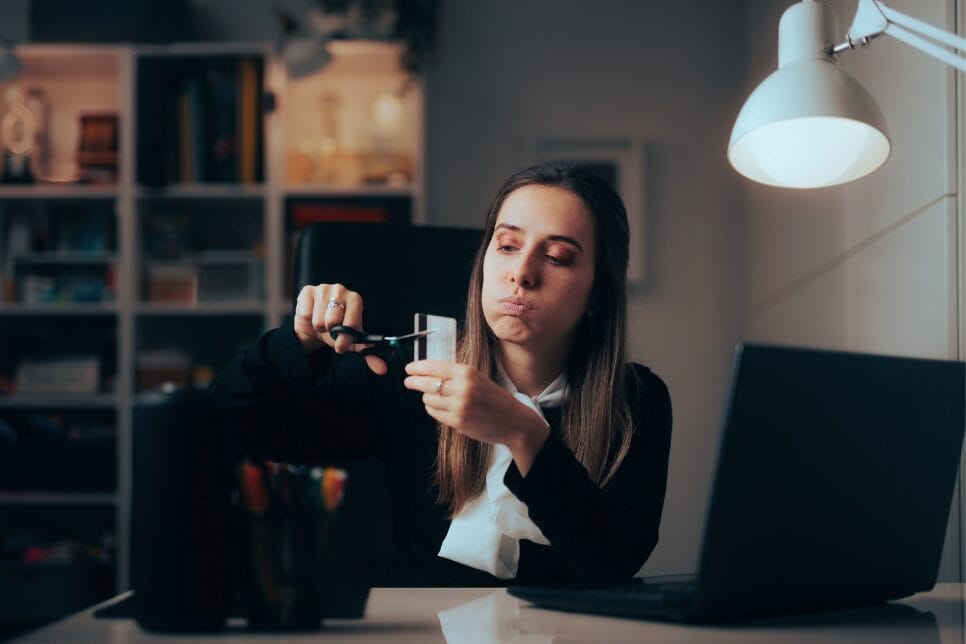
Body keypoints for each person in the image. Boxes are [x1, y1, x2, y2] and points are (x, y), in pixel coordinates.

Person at [209, 163, 672, 586]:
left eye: (556, 257)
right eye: (507, 246)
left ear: (597, 291)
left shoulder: (634, 400)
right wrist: (300, 340)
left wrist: (523, 433)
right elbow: (223, 421)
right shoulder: (410, 377)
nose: (521, 273)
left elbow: (613, 562)